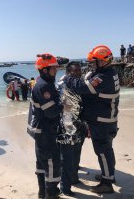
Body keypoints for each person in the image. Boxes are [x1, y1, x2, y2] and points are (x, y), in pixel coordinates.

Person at [64, 45, 120, 194]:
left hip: (102, 121)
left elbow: (83, 87)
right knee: (107, 150)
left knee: (102, 151)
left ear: (103, 61)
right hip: (107, 120)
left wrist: (68, 78)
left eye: (94, 62)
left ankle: (107, 183)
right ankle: (109, 175)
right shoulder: (109, 72)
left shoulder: (103, 77)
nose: (92, 65)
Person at [27, 54, 62, 199]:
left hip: (40, 129)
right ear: (45, 70)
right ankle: (51, 194)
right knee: (52, 162)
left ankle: (43, 192)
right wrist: (63, 105)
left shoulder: (43, 82)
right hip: (45, 130)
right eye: (54, 68)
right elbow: (51, 111)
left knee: (41, 162)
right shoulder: (43, 86)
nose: (56, 71)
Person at [57, 61, 88, 196]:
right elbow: (64, 107)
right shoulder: (64, 84)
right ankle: (65, 187)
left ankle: (74, 179)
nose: (78, 73)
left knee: (76, 154)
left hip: (79, 125)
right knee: (66, 159)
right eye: (74, 71)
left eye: (79, 70)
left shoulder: (79, 84)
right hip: (67, 126)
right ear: (68, 72)